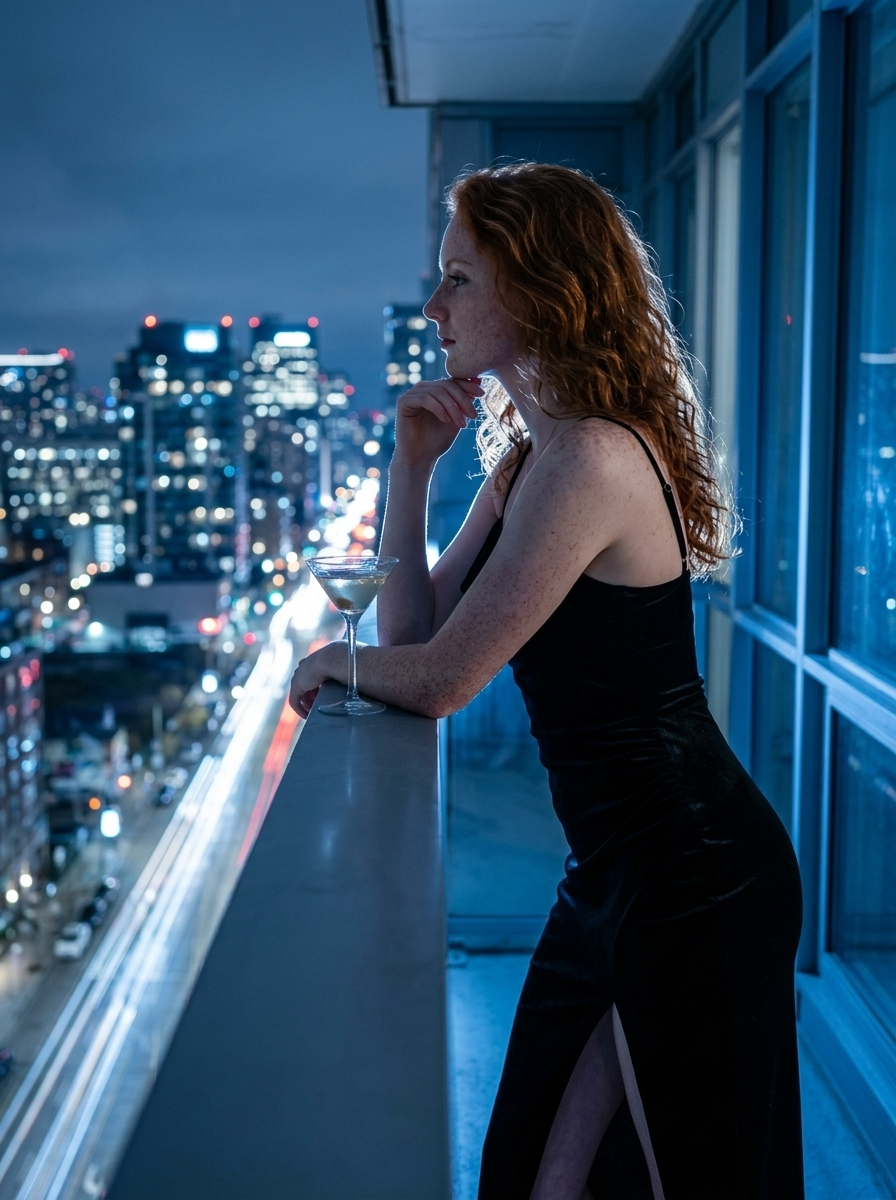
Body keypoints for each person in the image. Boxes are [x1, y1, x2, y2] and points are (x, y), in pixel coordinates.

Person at [289, 163, 803, 1200]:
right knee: (535, 1172)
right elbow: (420, 624)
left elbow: (434, 679)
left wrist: (323, 665)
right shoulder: (533, 456)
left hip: (693, 879)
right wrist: (411, 468)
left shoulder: (591, 460)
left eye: (457, 281)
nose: (432, 309)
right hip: (615, 877)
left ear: (539, 286)